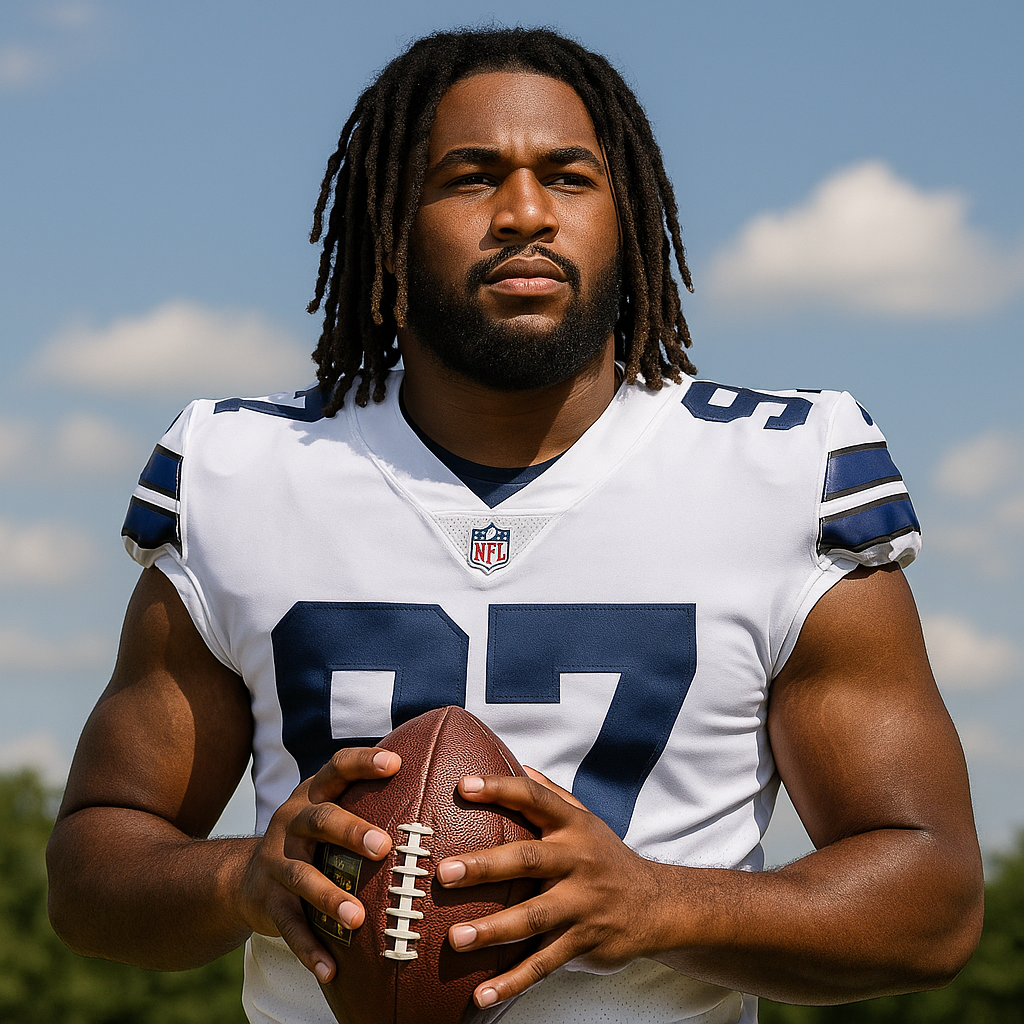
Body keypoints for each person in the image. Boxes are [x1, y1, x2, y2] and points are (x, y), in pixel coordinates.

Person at [46, 26, 983, 1024]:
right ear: (390, 224)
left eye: (569, 178)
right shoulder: (243, 472)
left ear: (629, 222)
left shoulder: (784, 470)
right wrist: (242, 880)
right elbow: (93, 871)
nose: (525, 214)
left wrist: (654, 903)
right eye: (472, 177)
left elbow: (931, 905)